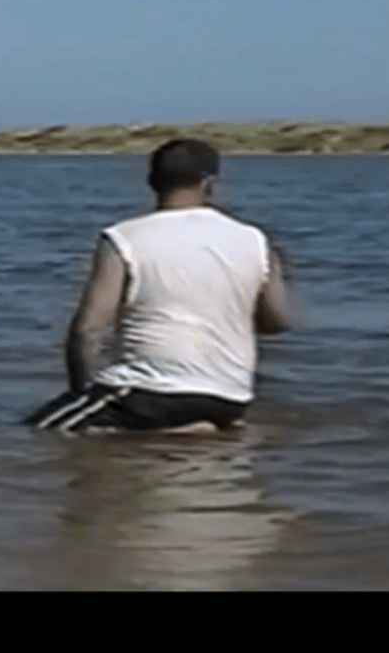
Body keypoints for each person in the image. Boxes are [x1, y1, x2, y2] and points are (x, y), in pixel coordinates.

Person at [24, 139, 292, 434]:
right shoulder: (255, 239)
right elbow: (276, 321)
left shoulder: (125, 237)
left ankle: (163, 427)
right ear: (210, 184)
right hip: (229, 396)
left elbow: (88, 330)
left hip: (150, 393)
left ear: (152, 181)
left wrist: (80, 390)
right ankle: (194, 427)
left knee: (39, 433)